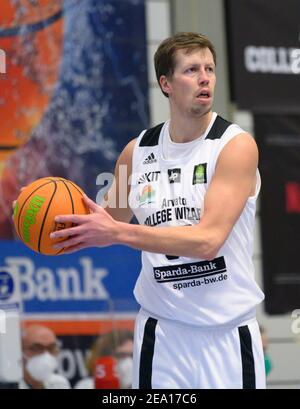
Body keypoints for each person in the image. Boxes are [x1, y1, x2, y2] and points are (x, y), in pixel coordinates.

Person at [38, 32, 265, 388]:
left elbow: (208, 240)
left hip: (226, 335)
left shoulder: (235, 147)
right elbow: (104, 220)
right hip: (162, 333)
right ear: (166, 83)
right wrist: (39, 212)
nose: (205, 77)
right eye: (191, 70)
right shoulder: (136, 152)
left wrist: (118, 233)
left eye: (209, 68)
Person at [20, 324, 70, 389]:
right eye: (37, 348)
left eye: (51, 348)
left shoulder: (60, 384)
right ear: (20, 351)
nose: (46, 355)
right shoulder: (10, 385)